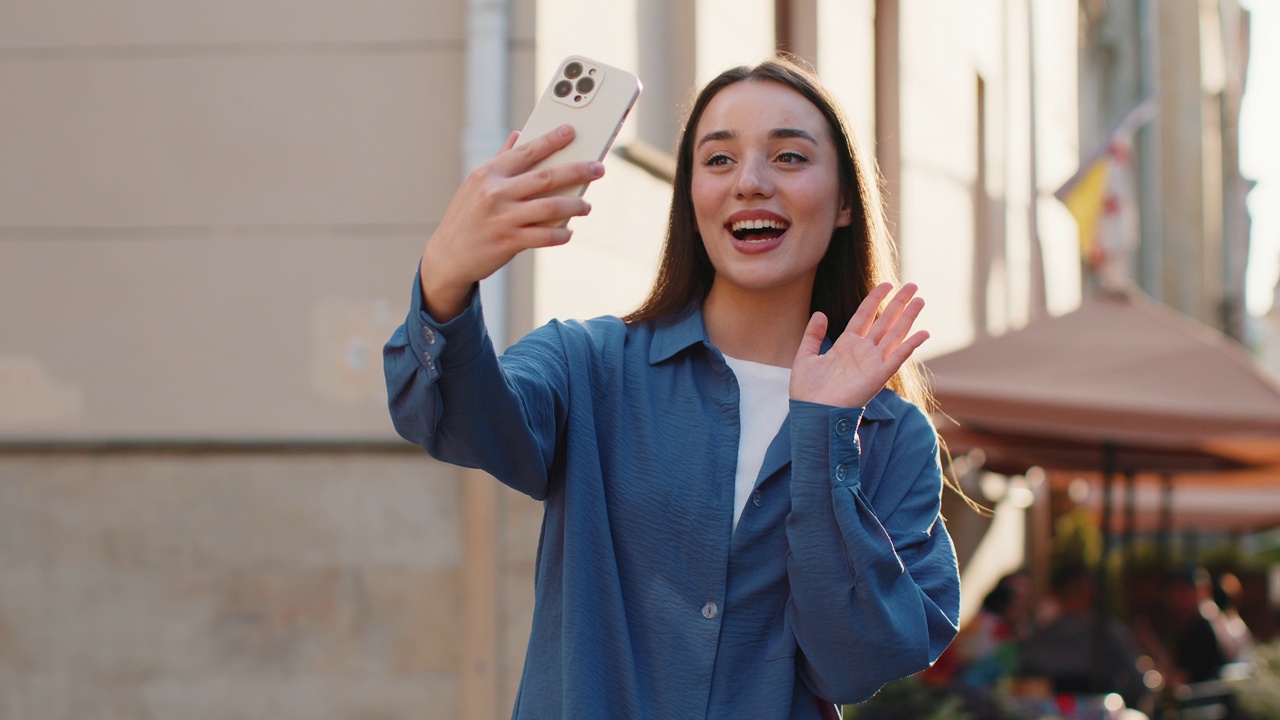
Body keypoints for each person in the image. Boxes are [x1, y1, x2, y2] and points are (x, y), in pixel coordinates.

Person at [383, 55, 962, 719]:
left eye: (790, 157)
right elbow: (446, 419)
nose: (749, 182)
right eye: (718, 160)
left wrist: (823, 435)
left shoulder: (892, 435)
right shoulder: (587, 365)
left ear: (843, 206)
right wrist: (445, 281)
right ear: (690, 198)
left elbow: (856, 663)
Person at [1017, 564, 1147, 708]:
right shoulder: (1109, 635)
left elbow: (1022, 685)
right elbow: (1137, 685)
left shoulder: (1037, 638)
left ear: (1055, 594)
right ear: (1089, 592)